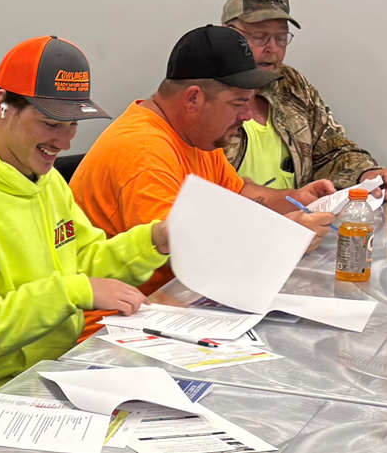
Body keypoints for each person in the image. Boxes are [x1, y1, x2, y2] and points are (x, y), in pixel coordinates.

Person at [0, 36, 170, 412]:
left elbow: (85, 260)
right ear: (3, 105)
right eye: (50, 123)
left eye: (73, 125)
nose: (63, 141)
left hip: (53, 376)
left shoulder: (44, 181)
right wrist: (74, 292)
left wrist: (154, 240)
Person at [70, 25, 336, 339]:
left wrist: (297, 198)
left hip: (172, 306)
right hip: (111, 326)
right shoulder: (142, 152)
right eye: (238, 104)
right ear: (194, 99)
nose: (249, 115)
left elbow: (239, 193)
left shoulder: (198, 136)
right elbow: (189, 257)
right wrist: (285, 238)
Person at [220, 0, 387, 196]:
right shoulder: (207, 92)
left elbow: (332, 151)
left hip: (297, 221)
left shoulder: (292, 85)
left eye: (281, 38)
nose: (272, 48)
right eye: (259, 36)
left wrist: (366, 173)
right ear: (227, 34)